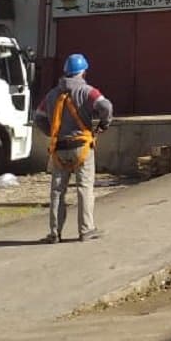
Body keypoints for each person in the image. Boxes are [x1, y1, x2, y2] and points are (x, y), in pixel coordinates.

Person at [33, 54, 113, 243]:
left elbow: (38, 117)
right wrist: (103, 124)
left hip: (59, 148)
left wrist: (51, 132)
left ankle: (54, 233)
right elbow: (106, 106)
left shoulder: (51, 94)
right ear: (83, 71)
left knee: (57, 191)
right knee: (84, 188)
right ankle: (86, 230)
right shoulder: (88, 91)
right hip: (82, 148)